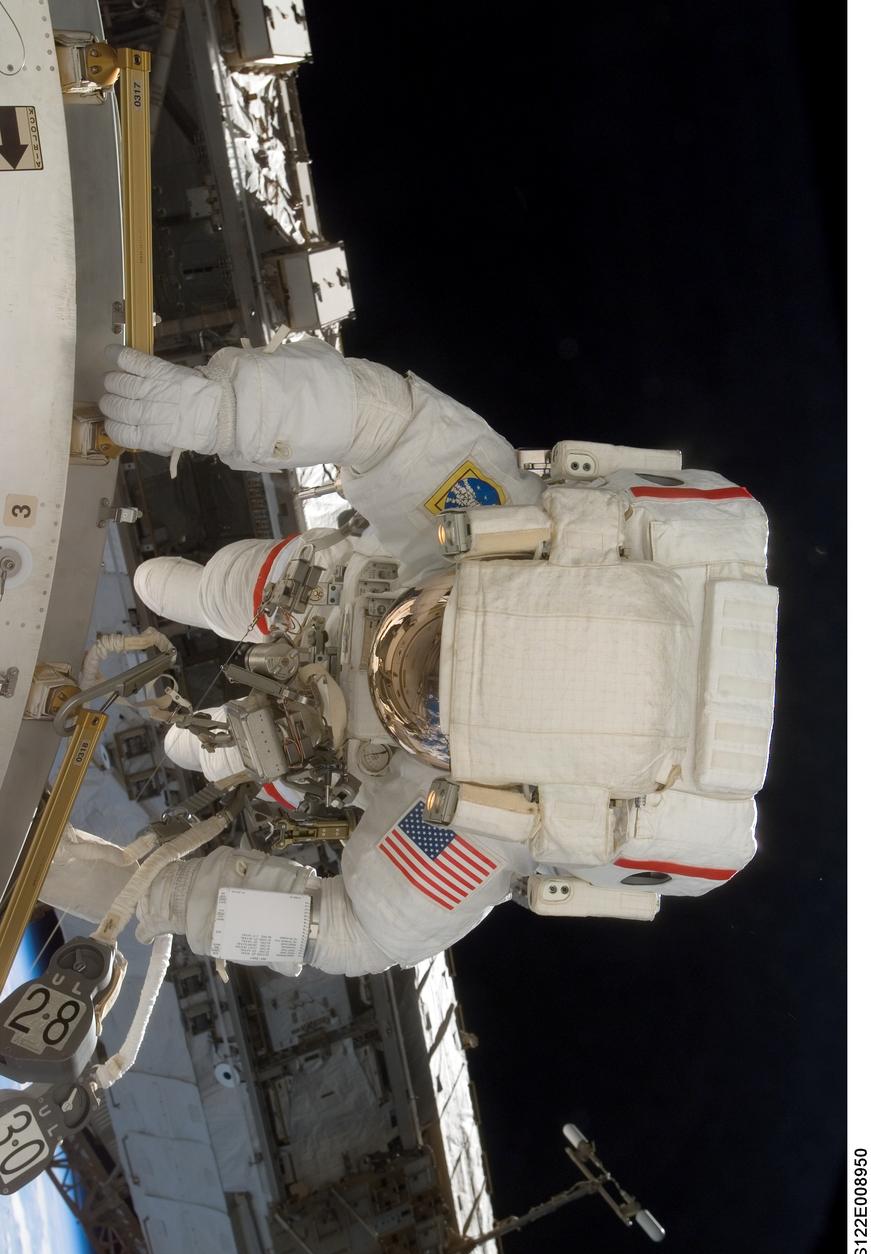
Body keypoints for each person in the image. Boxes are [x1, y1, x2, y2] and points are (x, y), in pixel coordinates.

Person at [40, 337, 778, 979]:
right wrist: (220, 412)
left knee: (211, 746)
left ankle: (205, 674)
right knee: (220, 591)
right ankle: (204, 600)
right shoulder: (484, 526)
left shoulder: (457, 825)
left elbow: (349, 931)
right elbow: (380, 422)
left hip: (309, 735)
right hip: (327, 597)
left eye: (428, 698)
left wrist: (149, 894)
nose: (399, 676)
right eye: (428, 646)